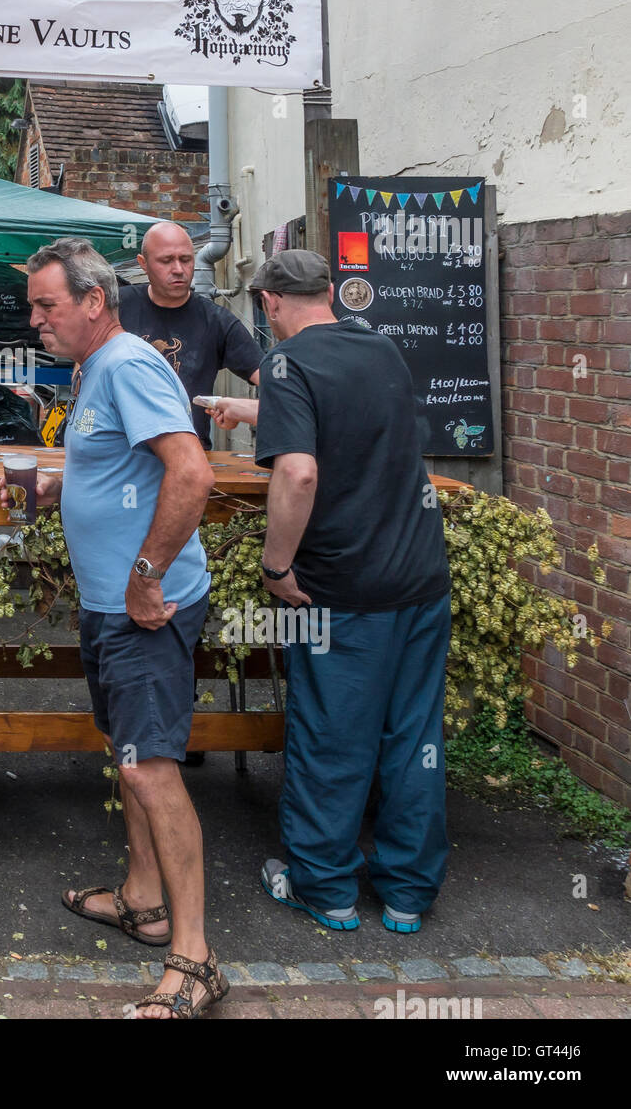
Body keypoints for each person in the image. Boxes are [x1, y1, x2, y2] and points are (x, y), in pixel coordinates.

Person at [7, 236, 228, 1020]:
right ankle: (143, 900)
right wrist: (58, 487)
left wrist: (144, 579)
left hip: (143, 606)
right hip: (113, 604)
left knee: (150, 767)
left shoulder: (128, 363)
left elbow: (192, 471)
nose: (35, 320)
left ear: (93, 302)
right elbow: (120, 467)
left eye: (47, 305)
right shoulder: (96, 368)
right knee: (130, 752)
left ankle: (196, 961)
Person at [237, 249, 452, 935]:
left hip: (338, 588)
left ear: (270, 302)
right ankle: (407, 895)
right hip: (419, 578)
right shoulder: (383, 349)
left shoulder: (285, 362)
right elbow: (355, 425)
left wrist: (276, 568)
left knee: (331, 736)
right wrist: (258, 413)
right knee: (413, 737)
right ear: (330, 291)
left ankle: (323, 886)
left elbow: (298, 473)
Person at [118, 221, 262, 449]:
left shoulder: (216, 320)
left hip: (188, 456)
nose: (178, 269)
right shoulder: (118, 306)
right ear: (143, 264)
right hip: (121, 453)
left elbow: (271, 380)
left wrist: (241, 409)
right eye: (166, 260)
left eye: (186, 259)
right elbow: (84, 364)